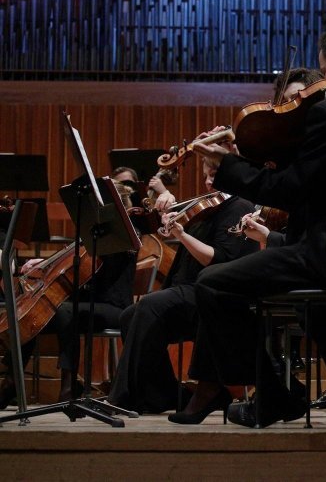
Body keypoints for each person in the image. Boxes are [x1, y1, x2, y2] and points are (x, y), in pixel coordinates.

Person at [174, 24, 326, 428]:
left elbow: (291, 192)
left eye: (325, 66)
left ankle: (273, 395)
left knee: (215, 284)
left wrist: (229, 167)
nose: (325, 76)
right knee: (291, 295)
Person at [107, 159, 258, 414]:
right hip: (184, 293)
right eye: (206, 175)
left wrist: (182, 235)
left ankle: (120, 397)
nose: (210, 181)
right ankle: (165, 395)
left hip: (210, 296)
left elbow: (218, 259)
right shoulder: (207, 207)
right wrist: (166, 210)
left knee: (147, 306)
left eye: (215, 175)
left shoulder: (241, 207)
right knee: (129, 316)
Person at [0, 177, 137, 406]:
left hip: (113, 306)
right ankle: (11, 383)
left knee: (64, 311)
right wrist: (44, 264)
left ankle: (67, 386)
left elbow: (95, 268)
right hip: (83, 306)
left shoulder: (128, 235)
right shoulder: (91, 235)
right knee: (31, 317)